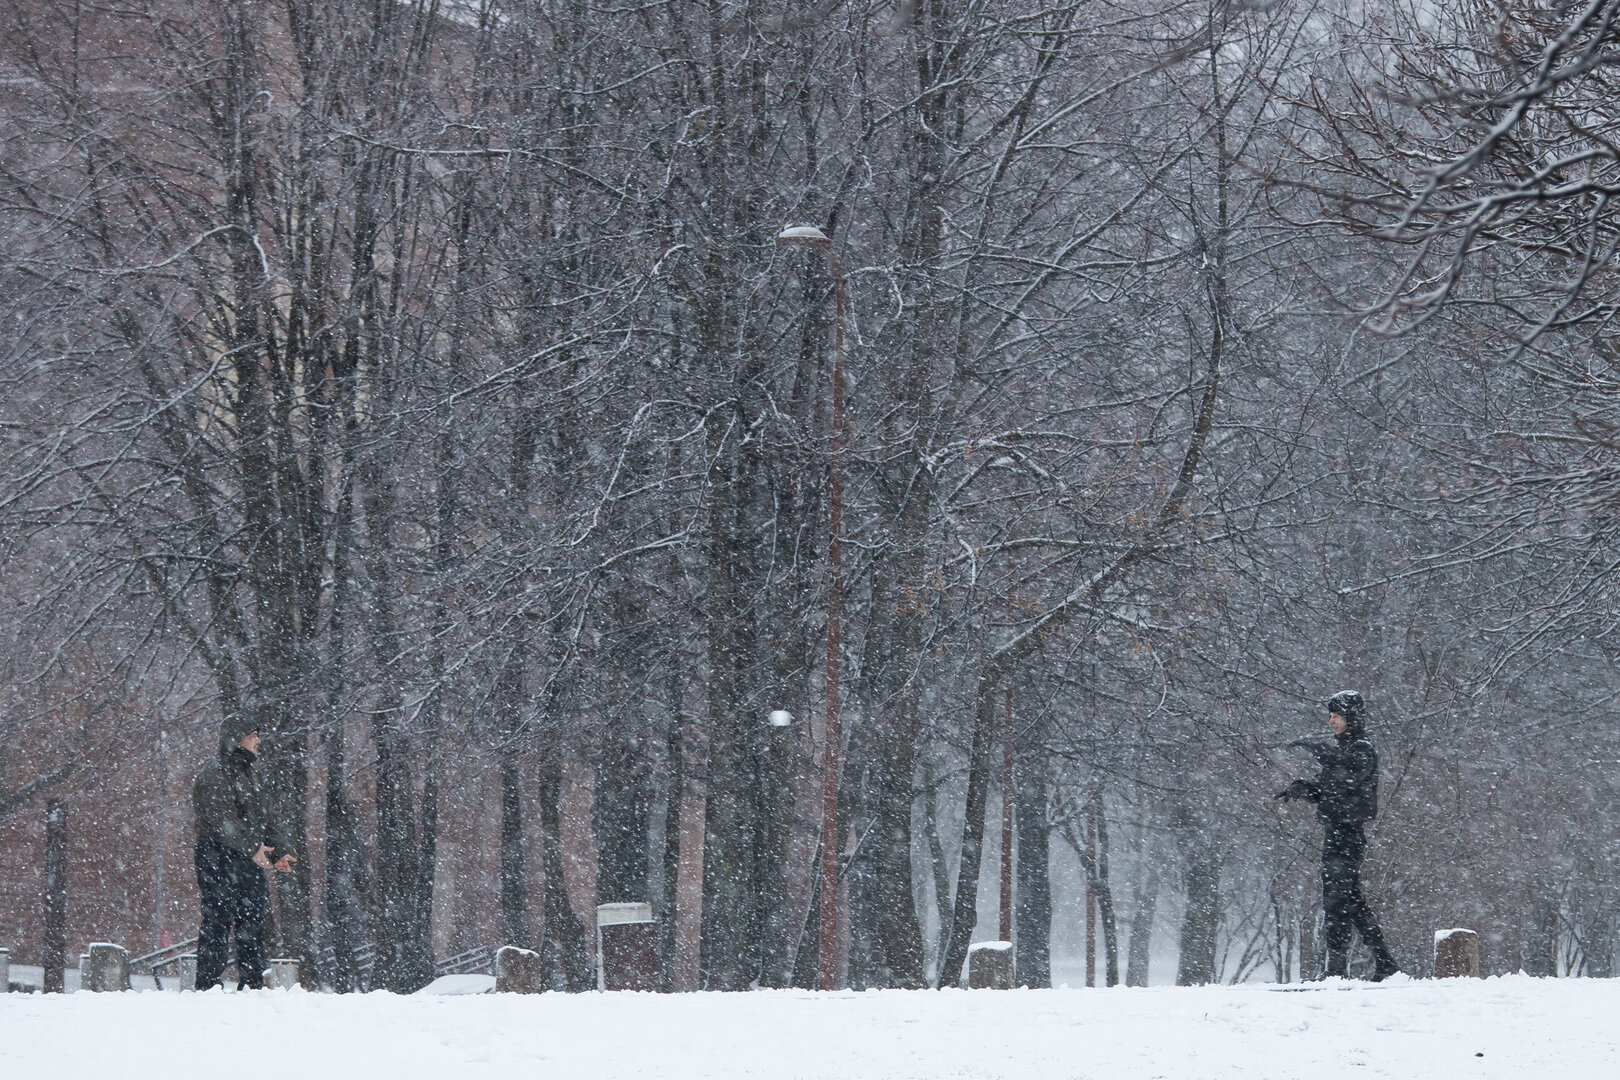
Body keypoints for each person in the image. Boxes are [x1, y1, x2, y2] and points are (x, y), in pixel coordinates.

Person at [1276, 690, 1400, 981]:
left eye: (1336, 716)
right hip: (1336, 834)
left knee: (1335, 901)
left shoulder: (1361, 749)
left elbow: (1347, 776)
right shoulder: (1344, 751)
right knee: (1352, 903)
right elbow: (1326, 788)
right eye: (1330, 716)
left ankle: (1336, 970)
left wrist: (1318, 750)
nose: (1331, 721)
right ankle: (1385, 964)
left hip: (1348, 836)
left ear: (1351, 717)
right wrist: (1301, 789)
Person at [191, 716, 294, 990]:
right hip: (216, 854)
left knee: (253, 920)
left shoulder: (253, 774)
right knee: (218, 920)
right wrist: (252, 847)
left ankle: (252, 985)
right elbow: (220, 819)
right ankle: (208, 986)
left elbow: (268, 815)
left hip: (247, 857)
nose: (259, 740)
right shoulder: (214, 773)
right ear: (237, 737)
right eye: (254, 734)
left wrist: (278, 851)